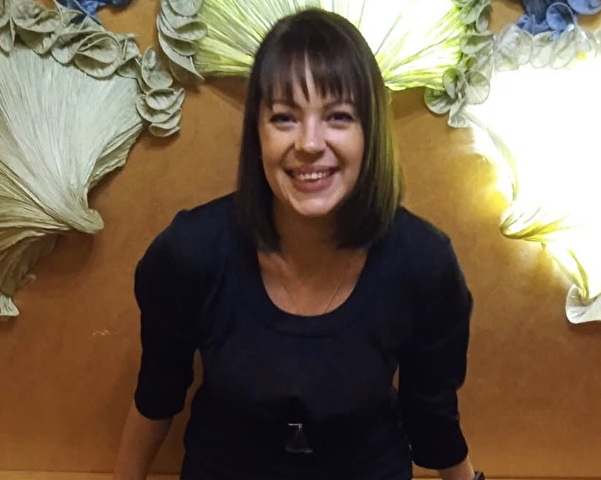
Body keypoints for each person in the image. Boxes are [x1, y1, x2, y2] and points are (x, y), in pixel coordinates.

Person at [114, 8, 480, 480]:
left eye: (338, 117)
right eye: (284, 117)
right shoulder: (189, 253)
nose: (309, 143)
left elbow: (433, 421)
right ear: (257, 133)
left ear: (369, 133)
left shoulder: (424, 264)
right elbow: (157, 394)